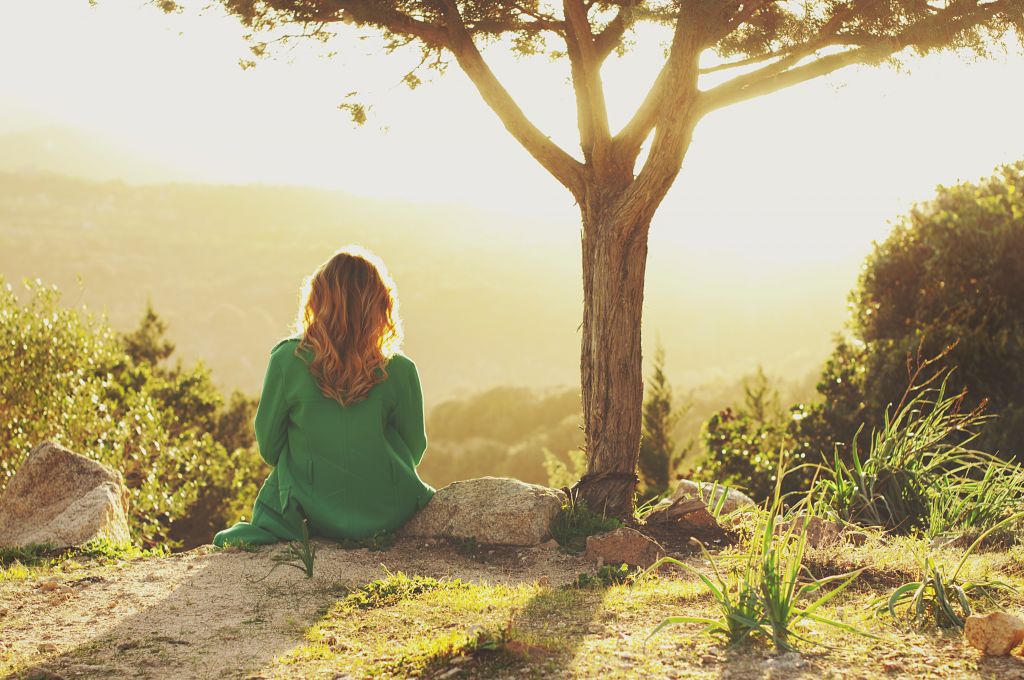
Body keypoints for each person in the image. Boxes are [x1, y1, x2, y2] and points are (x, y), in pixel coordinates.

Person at [212, 246, 435, 548]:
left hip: (306, 511)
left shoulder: (287, 360)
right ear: (381, 305)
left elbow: (269, 446)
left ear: (317, 300)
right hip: (385, 511)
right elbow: (414, 449)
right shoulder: (401, 370)